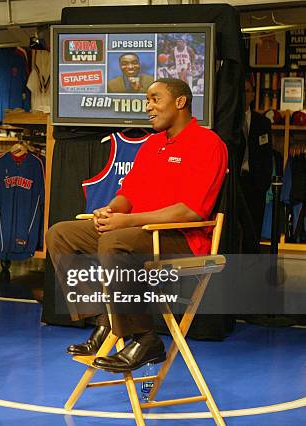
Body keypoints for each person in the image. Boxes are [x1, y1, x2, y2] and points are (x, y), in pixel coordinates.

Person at [46, 78, 227, 373]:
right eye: (147, 101)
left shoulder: (209, 144)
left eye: (155, 99)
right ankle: (104, 322)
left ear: (180, 102)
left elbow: (192, 211)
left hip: (181, 239)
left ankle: (145, 338)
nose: (148, 108)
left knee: (115, 241)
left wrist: (126, 221)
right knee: (60, 235)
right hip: (137, 233)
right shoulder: (153, 143)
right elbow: (128, 194)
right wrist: (111, 210)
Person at [240, 79, 272, 251]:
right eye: (241, 91)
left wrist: (263, 183)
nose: (244, 94)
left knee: (254, 231)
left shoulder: (263, 123)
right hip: (235, 183)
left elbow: (267, 156)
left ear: (252, 94)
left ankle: (252, 271)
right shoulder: (228, 122)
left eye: (247, 90)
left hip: (255, 185)